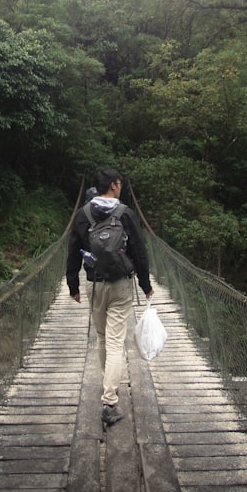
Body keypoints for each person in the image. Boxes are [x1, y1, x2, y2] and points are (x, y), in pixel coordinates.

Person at [66, 168, 152, 426]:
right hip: (121, 285)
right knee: (116, 342)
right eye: (119, 184)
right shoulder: (125, 214)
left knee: (103, 338)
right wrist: (146, 284)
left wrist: (73, 285)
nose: (121, 187)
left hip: (95, 284)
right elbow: (139, 250)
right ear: (113, 185)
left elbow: (73, 251)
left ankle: (108, 386)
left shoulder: (83, 215)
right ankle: (110, 399)